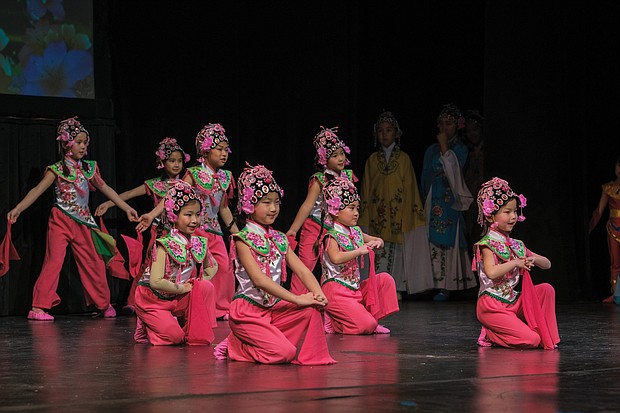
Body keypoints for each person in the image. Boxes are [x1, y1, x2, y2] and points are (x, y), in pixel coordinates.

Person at [7, 116, 140, 320]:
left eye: (85, 142)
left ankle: (104, 304)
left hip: (84, 221)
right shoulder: (57, 169)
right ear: (66, 143)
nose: (83, 146)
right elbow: (37, 190)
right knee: (53, 262)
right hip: (61, 218)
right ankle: (38, 308)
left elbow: (106, 189)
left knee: (93, 262)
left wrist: (126, 208)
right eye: (78, 142)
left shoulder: (89, 168)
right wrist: (19, 207)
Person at [213, 163, 336, 365]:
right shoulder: (242, 239)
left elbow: (302, 270)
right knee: (284, 353)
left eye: (276, 202)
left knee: (311, 309)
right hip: (248, 312)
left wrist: (318, 295)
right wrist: (297, 299)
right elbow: (260, 280)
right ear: (249, 205)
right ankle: (236, 345)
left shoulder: (279, 238)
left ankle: (263, 340)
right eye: (266, 202)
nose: (273, 208)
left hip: (272, 309)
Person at [138, 123, 237, 320]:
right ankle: (193, 305)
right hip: (196, 230)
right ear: (206, 150)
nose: (224, 153)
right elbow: (173, 197)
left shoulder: (226, 177)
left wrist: (235, 231)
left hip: (216, 230)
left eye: (226, 149)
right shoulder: (194, 173)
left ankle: (222, 307)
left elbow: (223, 208)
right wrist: (152, 214)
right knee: (190, 270)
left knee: (224, 267)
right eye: (219, 149)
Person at [95, 137, 190, 313]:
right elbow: (130, 193)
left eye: (179, 161)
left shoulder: (186, 184)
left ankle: (177, 299)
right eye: (171, 160)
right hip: (159, 231)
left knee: (181, 265)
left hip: (180, 233)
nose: (176, 165)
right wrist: (108, 204)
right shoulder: (155, 185)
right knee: (150, 264)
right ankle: (134, 300)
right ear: (162, 162)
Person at [473, 177, 560, 349]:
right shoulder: (487, 245)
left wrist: (534, 259)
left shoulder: (516, 244)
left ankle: (546, 334)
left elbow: (547, 264)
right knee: (532, 340)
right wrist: (515, 263)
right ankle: (491, 334)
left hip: (512, 301)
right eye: (507, 212)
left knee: (546, 290)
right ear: (491, 216)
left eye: (515, 211)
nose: (513, 216)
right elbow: (491, 272)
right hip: (492, 305)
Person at [134, 180, 218, 345]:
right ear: (173, 215)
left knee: (205, 287)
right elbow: (155, 281)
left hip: (176, 296)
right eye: (188, 215)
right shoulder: (163, 244)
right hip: (152, 299)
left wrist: (198, 283)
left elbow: (213, 266)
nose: (194, 220)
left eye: (197, 214)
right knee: (174, 337)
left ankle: (191, 331)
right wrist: (182, 287)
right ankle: (146, 324)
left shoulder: (197, 241)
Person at [359, 110, 433, 298]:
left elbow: (410, 188)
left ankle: (397, 287)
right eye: (381, 131)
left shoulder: (403, 159)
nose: (384, 134)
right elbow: (366, 189)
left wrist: (409, 212)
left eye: (389, 130)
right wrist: (364, 213)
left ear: (396, 133)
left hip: (398, 212)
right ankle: (376, 287)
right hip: (377, 213)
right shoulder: (372, 160)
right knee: (377, 249)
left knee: (397, 251)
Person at [318, 176, 399, 334]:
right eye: (351, 208)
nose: (356, 213)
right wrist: (358, 251)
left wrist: (378, 242)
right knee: (365, 326)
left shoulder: (355, 231)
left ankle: (372, 320)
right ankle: (335, 321)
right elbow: (335, 258)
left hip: (353, 289)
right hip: (336, 290)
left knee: (385, 280)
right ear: (336, 211)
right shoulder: (331, 235)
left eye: (357, 208)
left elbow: (377, 239)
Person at [286, 126, 357, 295]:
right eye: (334, 155)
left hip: (336, 229)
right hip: (315, 226)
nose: (340, 158)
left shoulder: (347, 176)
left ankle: (338, 299)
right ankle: (297, 301)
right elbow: (307, 205)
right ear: (324, 159)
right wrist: (293, 230)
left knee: (338, 266)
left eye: (341, 153)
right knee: (305, 265)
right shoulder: (320, 179)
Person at [421, 103, 476, 301]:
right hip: (433, 198)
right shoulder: (431, 150)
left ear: (457, 126)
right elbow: (425, 176)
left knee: (448, 242)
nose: (445, 128)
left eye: (450, 124)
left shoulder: (460, 149)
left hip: (450, 201)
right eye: (442, 123)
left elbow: (456, 173)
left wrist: (445, 147)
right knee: (430, 241)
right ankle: (430, 283)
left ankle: (446, 285)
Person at [588, 155, 620, 304]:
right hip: (614, 228)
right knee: (615, 262)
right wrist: (589, 228)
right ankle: (615, 294)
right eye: (618, 166)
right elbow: (599, 211)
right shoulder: (609, 187)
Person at [462, 109, 485, 251]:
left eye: (475, 129)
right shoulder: (468, 151)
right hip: (471, 196)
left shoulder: (484, 151)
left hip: (483, 197)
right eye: (469, 131)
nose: (472, 134)